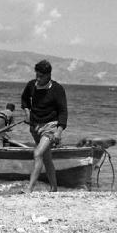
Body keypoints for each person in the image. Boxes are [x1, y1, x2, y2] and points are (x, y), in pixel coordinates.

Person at [21, 60, 68, 192]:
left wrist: (59, 131)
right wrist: (27, 112)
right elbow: (24, 99)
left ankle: (29, 188)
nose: (38, 78)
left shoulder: (57, 89)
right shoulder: (31, 85)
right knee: (46, 158)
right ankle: (54, 188)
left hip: (51, 126)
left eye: (41, 76)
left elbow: (63, 112)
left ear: (48, 75)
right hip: (35, 126)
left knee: (37, 154)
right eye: (37, 75)